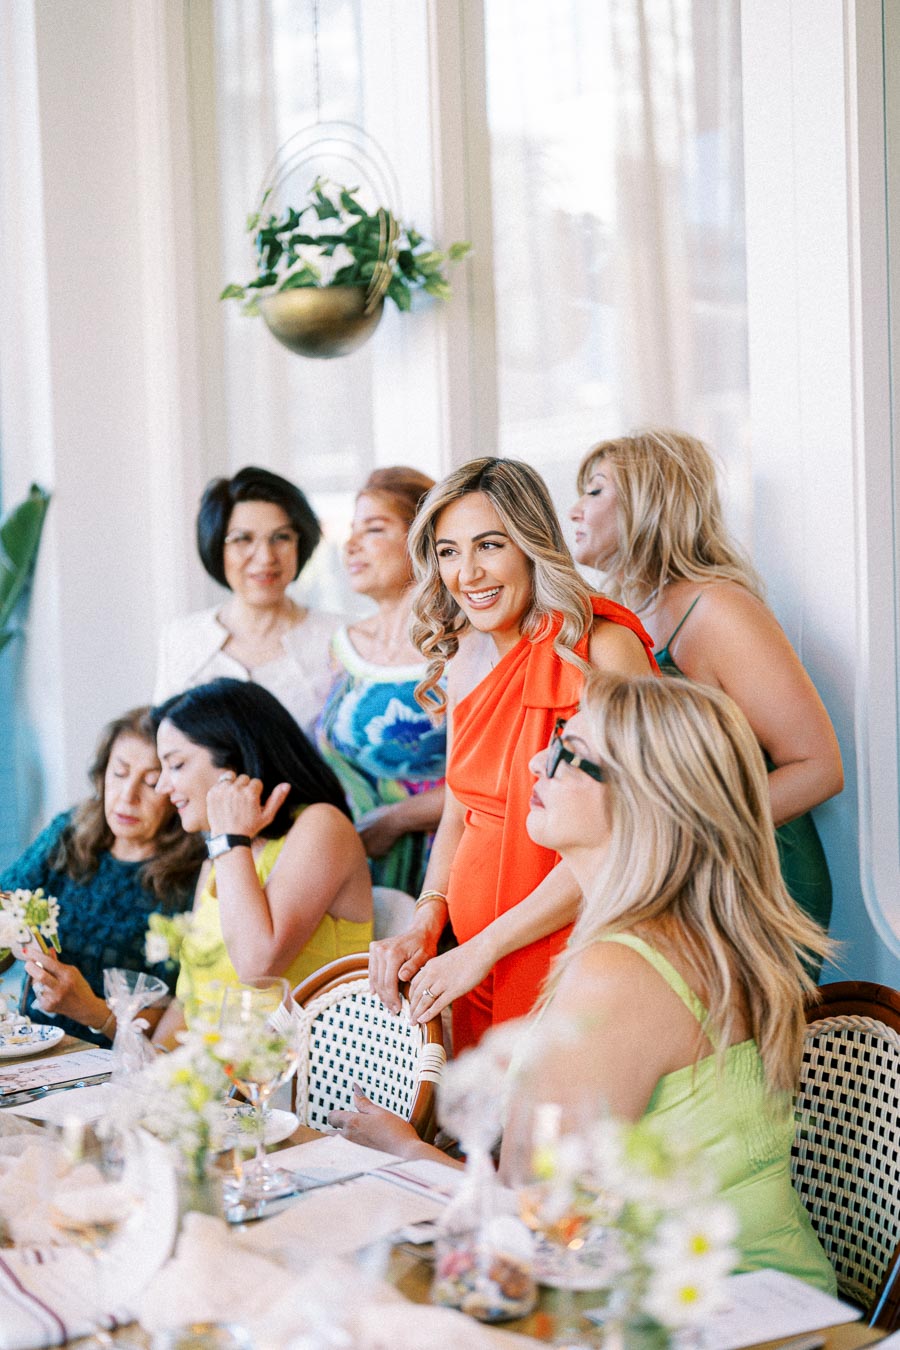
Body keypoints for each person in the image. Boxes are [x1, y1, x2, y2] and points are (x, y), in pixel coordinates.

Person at [332, 672, 836, 1294]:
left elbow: (537, 1218)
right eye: (556, 740)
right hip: (752, 1291)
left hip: (716, 1316)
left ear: (648, 801)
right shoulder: (693, 936)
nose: (540, 760)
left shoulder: (625, 969)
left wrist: (404, 1151)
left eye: (573, 755)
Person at [368, 457, 657, 1052]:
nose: (466, 573)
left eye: (489, 545)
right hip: (476, 960)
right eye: (447, 552)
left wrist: (482, 948)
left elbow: (626, 836)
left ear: (532, 545)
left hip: (574, 951)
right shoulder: (461, 655)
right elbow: (459, 811)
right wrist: (428, 922)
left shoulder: (602, 647)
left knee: (552, 1141)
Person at [569, 429, 843, 935]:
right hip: (686, 882)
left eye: (595, 490)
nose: (575, 511)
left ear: (651, 500)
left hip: (755, 883)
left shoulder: (718, 607)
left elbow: (819, 768)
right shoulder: (635, 615)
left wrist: (680, 838)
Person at [151, 678, 372, 1042]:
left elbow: (257, 967)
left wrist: (229, 837)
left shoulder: (320, 826)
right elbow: (187, 1003)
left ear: (232, 761)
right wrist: (146, 1077)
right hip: (209, 1081)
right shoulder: (222, 855)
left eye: (175, 765)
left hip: (292, 1084)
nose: (162, 786)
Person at [2, 707, 203, 1045]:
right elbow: (8, 908)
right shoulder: (69, 831)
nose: (128, 797)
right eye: (119, 773)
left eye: (151, 783)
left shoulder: (192, 875)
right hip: (33, 1045)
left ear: (174, 790)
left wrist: (90, 1009)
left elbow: (174, 1021)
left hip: (115, 1066)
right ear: (102, 774)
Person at [316, 467, 446, 895]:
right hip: (357, 872)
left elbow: (495, 775)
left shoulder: (458, 646)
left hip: (440, 869)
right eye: (351, 531)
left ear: (422, 539)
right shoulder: (343, 646)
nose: (350, 545)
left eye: (373, 529)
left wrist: (394, 819)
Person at [154, 465, 342, 733]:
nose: (266, 557)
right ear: (217, 546)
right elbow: (163, 746)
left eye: (281, 537)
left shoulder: (339, 638)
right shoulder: (181, 639)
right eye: (243, 539)